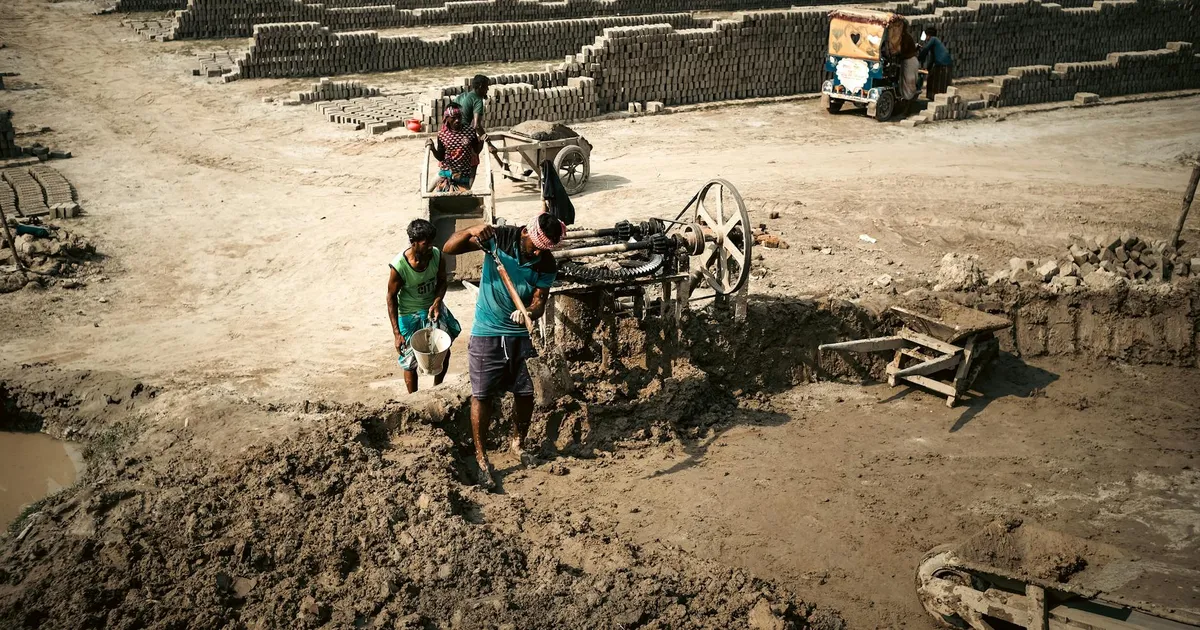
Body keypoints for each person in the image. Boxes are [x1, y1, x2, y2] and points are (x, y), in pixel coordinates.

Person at [442, 214, 565, 488]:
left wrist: (529, 313)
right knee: (482, 395)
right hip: (487, 331)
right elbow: (449, 248)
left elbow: (539, 302)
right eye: (535, 245)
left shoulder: (546, 262)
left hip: (519, 336)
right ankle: (481, 456)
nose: (536, 252)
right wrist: (471, 229)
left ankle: (517, 444)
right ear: (525, 233)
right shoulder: (498, 239)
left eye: (543, 249)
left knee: (526, 393)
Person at [387, 219, 461, 394]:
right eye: (425, 243)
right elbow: (391, 298)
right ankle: (413, 398)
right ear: (413, 243)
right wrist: (397, 334)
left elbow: (443, 281)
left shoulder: (437, 255)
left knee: (443, 349)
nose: (430, 247)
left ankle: (437, 389)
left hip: (432, 308)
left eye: (431, 242)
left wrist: (437, 301)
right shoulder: (399, 266)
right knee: (409, 359)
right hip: (409, 313)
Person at [426, 103, 482, 193]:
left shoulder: (470, 131)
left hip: (464, 174)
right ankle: (427, 194)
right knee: (435, 194)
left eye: (459, 117)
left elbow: (476, 151)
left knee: (461, 199)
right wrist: (432, 149)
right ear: (447, 118)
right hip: (446, 173)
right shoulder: (442, 135)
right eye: (453, 118)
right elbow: (441, 157)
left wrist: (482, 142)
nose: (457, 120)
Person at [919, 26, 954, 100]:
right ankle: (933, 98)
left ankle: (934, 98)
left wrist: (919, 58)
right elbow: (932, 59)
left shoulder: (933, 39)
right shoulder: (936, 42)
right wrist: (927, 68)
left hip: (943, 65)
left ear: (928, 35)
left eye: (926, 36)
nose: (925, 38)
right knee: (932, 78)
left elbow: (925, 49)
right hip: (945, 64)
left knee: (935, 81)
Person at [897, 26, 921, 112]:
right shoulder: (901, 37)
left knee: (909, 85)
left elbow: (904, 50)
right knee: (904, 84)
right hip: (906, 61)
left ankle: (908, 108)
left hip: (910, 62)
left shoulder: (906, 37)